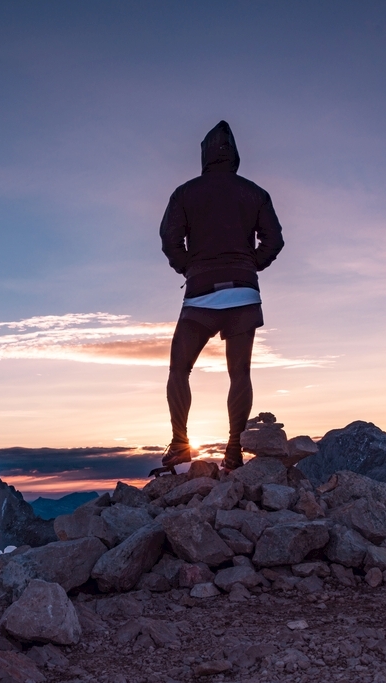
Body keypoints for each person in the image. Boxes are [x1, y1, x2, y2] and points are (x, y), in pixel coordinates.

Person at [159, 120, 284, 471]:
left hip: (200, 294)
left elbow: (170, 240)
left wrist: (190, 268)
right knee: (239, 373)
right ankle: (233, 449)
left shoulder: (184, 193)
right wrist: (249, 266)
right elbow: (273, 241)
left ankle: (180, 444)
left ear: (204, 154)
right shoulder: (255, 193)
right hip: (243, 292)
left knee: (179, 370)